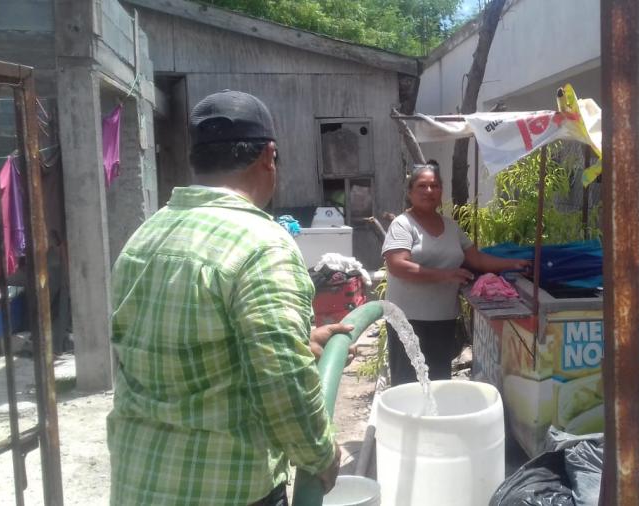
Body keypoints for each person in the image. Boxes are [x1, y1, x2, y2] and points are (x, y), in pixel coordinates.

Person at [108, 90, 347, 506]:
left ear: (196, 160)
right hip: (228, 490)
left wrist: (301, 341)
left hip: (138, 483)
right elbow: (281, 380)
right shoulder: (262, 243)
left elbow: (170, 353)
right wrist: (321, 455)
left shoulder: (144, 237)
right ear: (268, 156)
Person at [381, 162, 530, 384]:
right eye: (422, 186)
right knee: (407, 385)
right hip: (407, 320)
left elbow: (477, 259)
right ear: (410, 192)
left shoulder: (451, 227)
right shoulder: (403, 225)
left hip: (443, 318)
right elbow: (397, 265)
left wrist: (514, 263)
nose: (429, 191)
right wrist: (445, 275)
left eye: (435, 185)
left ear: (441, 191)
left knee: (439, 382)